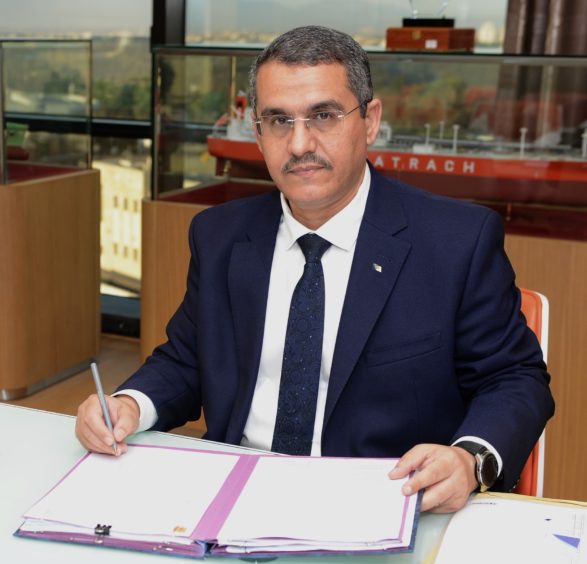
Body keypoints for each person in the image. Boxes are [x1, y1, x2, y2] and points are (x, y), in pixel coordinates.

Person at [76, 25, 554, 513]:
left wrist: (468, 459)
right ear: (258, 133)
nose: (300, 143)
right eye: (278, 120)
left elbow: (514, 379)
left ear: (369, 120)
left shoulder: (455, 242)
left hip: (384, 500)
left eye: (322, 115)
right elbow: (188, 359)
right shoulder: (219, 235)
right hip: (234, 492)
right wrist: (131, 405)